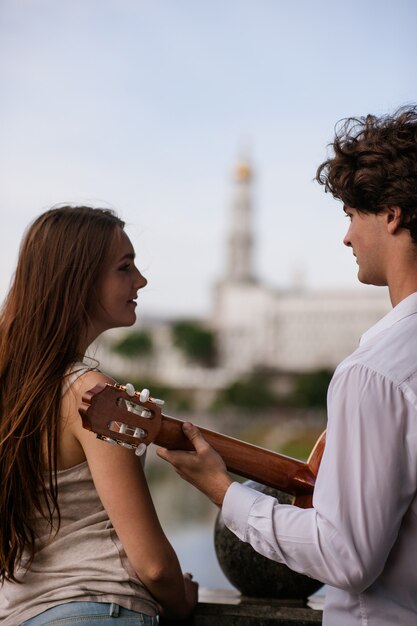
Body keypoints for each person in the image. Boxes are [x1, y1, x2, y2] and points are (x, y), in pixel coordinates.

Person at [157, 105, 417, 625]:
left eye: (350, 215)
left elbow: (347, 556)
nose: (346, 238)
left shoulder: (376, 371)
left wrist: (221, 490)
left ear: (391, 213)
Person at [0, 206, 198, 625]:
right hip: (99, 609)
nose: (140, 280)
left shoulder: (13, 389)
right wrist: (182, 603)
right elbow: (155, 565)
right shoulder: (94, 397)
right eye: (125, 268)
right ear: (78, 281)